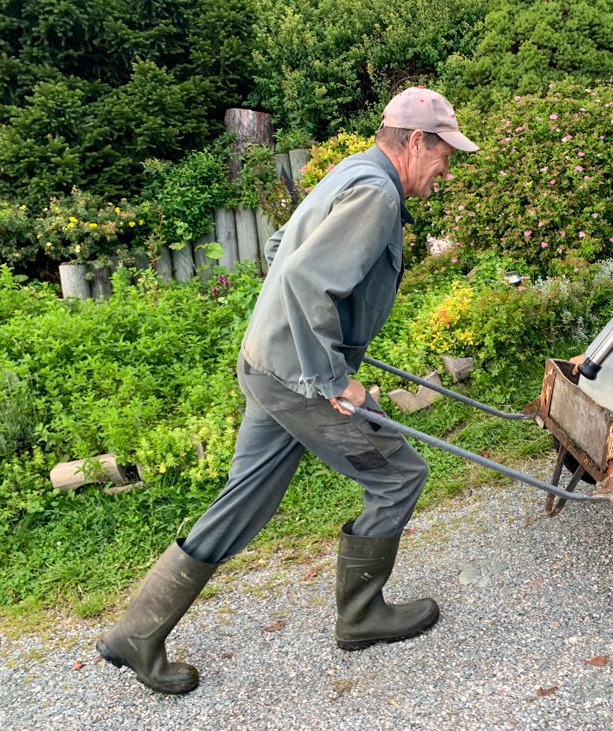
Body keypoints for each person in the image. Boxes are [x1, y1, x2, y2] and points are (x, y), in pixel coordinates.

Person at [96, 87, 479, 695]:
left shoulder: (353, 169)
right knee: (398, 475)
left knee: (244, 499)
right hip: (298, 378)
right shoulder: (376, 193)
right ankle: (361, 615)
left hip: (267, 362)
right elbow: (303, 276)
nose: (446, 170)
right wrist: (331, 374)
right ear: (416, 141)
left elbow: (280, 249)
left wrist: (325, 344)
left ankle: (135, 634)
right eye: (444, 155)